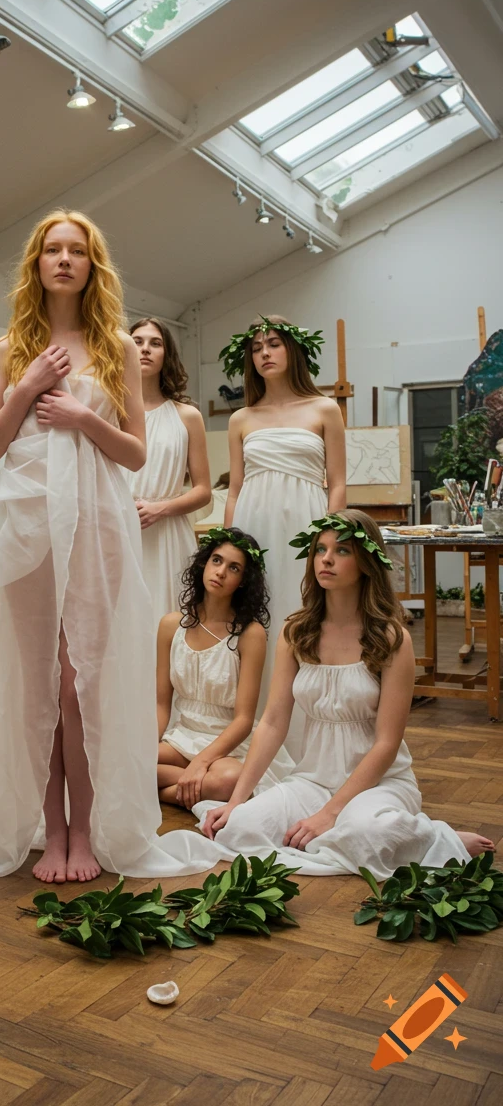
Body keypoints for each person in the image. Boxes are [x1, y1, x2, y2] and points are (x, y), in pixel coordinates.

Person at [0, 209, 211, 883]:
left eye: (75, 251)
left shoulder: (115, 345)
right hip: (25, 532)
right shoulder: (6, 350)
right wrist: (25, 389)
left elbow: (137, 454)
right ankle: (48, 833)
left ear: (92, 265)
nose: (63, 259)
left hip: (96, 530)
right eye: (51, 249)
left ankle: (85, 831)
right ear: (36, 263)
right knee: (37, 689)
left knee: (80, 689)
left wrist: (83, 417)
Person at [195, 511, 494, 877]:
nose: (326, 558)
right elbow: (272, 722)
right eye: (320, 549)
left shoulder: (391, 639)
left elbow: (387, 744)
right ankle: (344, 836)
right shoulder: (296, 632)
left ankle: (435, 837)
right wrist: (237, 801)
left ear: (366, 562)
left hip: (379, 782)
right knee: (239, 829)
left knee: (367, 830)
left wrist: (329, 814)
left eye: (342, 551)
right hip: (313, 779)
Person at [222, 314, 346, 752]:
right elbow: (234, 490)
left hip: (306, 528)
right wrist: (229, 543)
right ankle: (255, 730)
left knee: (303, 614)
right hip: (254, 528)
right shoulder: (241, 418)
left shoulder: (324, 409)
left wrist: (328, 540)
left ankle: (311, 735)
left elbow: (339, 483)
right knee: (258, 616)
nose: (265, 354)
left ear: (294, 350)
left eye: (273, 344)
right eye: (256, 348)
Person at [157, 527, 293, 809]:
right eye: (216, 560)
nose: (220, 572)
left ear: (243, 581)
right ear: (204, 564)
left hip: (228, 746)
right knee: (121, 760)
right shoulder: (171, 625)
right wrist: (146, 747)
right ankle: (188, 786)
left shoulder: (249, 634)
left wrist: (203, 762)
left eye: (234, 568)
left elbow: (244, 719)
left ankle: (163, 792)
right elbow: (160, 703)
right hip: (181, 738)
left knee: (231, 779)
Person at [128, 319, 211, 623]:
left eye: (155, 343)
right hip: (120, 528)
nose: (145, 350)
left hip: (168, 532)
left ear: (167, 354)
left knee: (169, 617)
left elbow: (203, 491)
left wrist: (161, 509)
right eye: (137, 341)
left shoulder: (186, 416)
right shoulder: (109, 410)